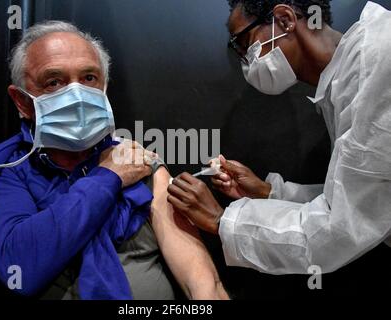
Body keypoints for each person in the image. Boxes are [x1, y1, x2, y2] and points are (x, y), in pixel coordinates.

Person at [0, 20, 228, 300]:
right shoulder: (8, 170)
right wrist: (108, 177)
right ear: (22, 101)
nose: (77, 95)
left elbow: (201, 281)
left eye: (89, 78)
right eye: (54, 82)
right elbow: (19, 268)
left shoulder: (138, 162)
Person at [167, 0, 391, 275]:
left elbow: (342, 228)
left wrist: (221, 220)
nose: (245, 61)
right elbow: (363, 194)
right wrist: (269, 193)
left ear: (285, 20)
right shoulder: (347, 82)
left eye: (244, 43)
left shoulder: (377, 66)